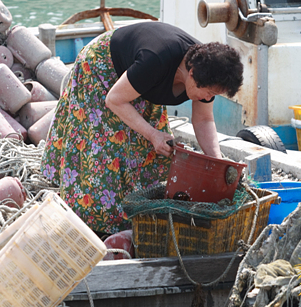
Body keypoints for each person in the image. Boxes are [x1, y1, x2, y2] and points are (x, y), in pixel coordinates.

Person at [41, 21, 243, 235]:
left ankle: (139, 215)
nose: (208, 99)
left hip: (142, 82)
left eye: (214, 96)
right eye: (208, 93)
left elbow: (203, 120)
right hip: (102, 69)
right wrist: (153, 133)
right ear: (191, 74)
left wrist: (218, 163)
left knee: (155, 153)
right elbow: (115, 99)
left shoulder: (209, 69)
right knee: (106, 149)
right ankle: (97, 225)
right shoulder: (156, 59)